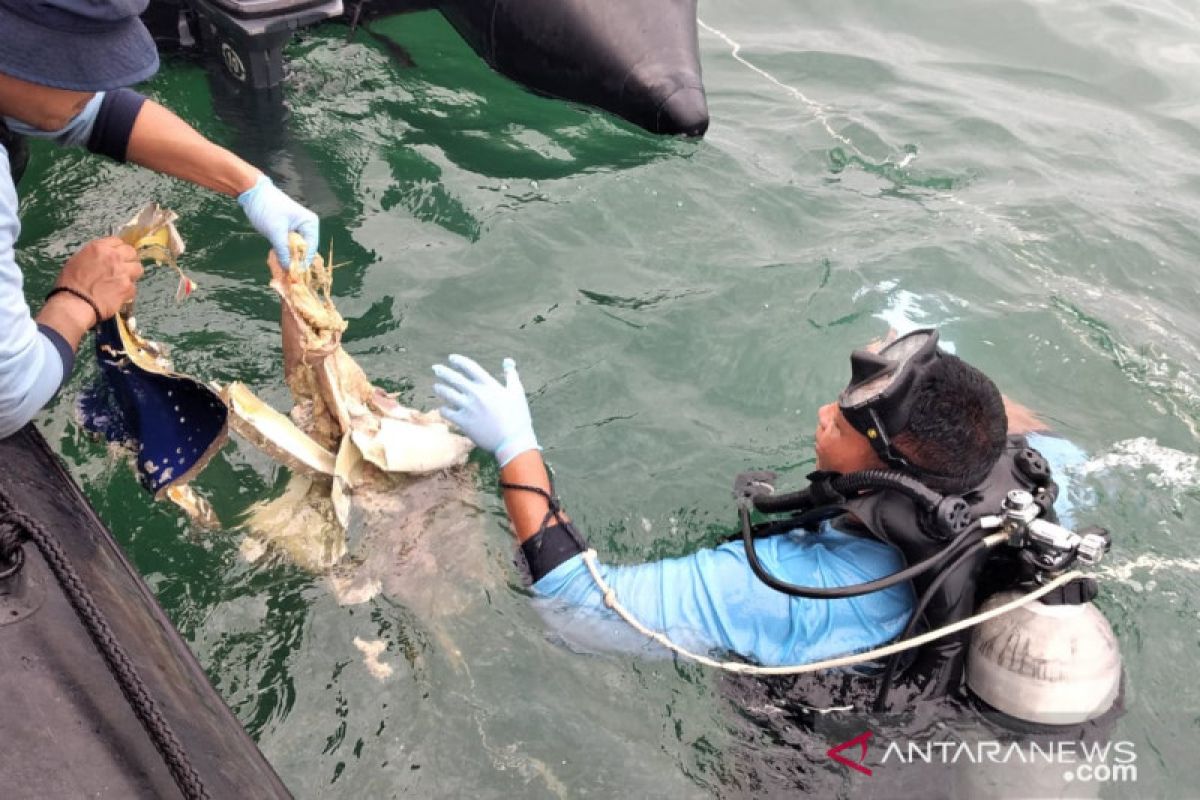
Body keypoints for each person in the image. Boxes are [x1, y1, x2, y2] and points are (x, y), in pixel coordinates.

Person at [430, 329, 1084, 672]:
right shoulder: (1022, 469)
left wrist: (516, 446)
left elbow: (577, 612)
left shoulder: (788, 590)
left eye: (850, 422)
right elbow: (1023, 421)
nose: (827, 411)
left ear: (893, 477)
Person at [0, 0, 320, 438]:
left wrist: (250, 185)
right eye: (73, 64)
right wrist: (78, 300)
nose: (93, 82)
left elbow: (94, 111)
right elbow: (10, 395)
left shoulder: (20, 83)